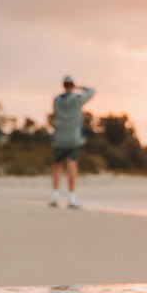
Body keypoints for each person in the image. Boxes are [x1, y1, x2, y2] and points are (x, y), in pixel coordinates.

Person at [49, 75, 95, 209]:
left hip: (59, 137)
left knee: (57, 165)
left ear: (63, 85)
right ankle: (72, 196)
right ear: (72, 85)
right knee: (71, 164)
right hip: (73, 137)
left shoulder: (57, 100)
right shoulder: (77, 99)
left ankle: (55, 195)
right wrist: (79, 87)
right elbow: (92, 91)